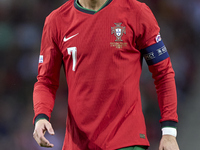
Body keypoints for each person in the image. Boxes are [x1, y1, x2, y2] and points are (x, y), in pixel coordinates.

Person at [33, 0, 180, 150]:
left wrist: (169, 132)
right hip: (77, 144)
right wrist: (41, 116)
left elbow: (163, 73)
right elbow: (46, 81)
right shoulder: (56, 21)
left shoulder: (136, 12)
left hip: (126, 141)